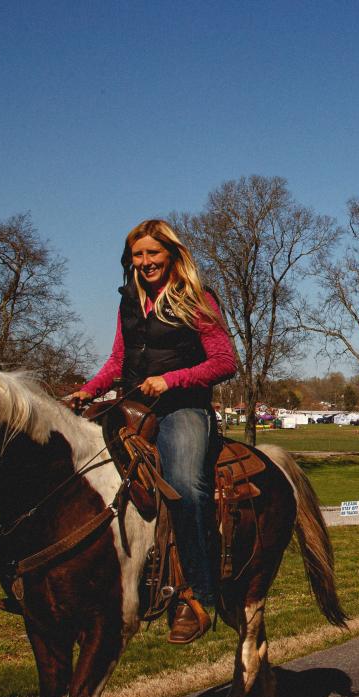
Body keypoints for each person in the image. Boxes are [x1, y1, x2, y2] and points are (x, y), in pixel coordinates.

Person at [70, 219, 237, 644]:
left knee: (185, 483)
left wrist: (172, 380)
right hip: (131, 406)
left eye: (152, 254)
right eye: (137, 255)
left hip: (181, 408)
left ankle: (198, 594)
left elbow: (224, 362)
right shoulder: (129, 300)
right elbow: (117, 361)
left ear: (171, 255)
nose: (144, 262)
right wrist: (87, 391)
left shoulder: (197, 298)